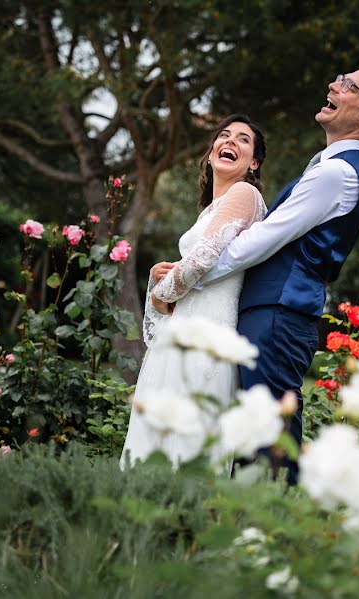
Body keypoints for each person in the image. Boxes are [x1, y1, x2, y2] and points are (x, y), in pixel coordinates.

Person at [159, 60, 359, 484]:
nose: (334, 83)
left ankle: (273, 531)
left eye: (349, 85)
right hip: (270, 309)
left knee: (268, 428)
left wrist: (183, 280)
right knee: (253, 425)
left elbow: (261, 240)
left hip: (279, 312)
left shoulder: (338, 172)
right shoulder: (329, 165)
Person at [120, 114, 267, 470]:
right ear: (212, 149)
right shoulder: (210, 211)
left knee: (191, 444)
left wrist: (159, 294)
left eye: (243, 140)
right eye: (224, 135)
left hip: (210, 333)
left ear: (254, 163)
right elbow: (199, 267)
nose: (230, 142)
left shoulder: (244, 193)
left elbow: (201, 261)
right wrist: (164, 276)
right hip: (185, 329)